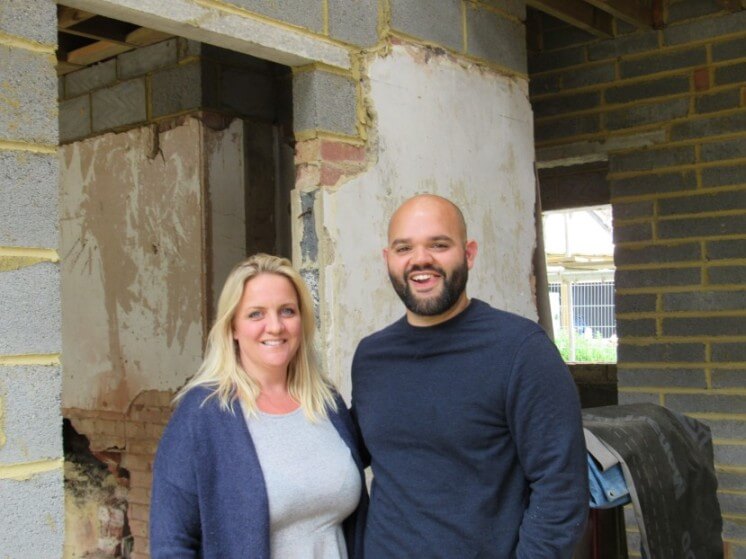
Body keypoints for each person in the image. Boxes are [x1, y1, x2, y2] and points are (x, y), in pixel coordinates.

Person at [351, 194, 588, 558]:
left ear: (469, 253)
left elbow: (561, 488)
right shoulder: (371, 357)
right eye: (404, 248)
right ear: (388, 260)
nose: (420, 259)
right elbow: (349, 454)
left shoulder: (520, 351)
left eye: (439, 244)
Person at [151, 254, 367, 559]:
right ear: (233, 327)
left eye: (287, 311)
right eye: (256, 314)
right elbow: (171, 544)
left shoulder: (326, 401)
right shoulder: (202, 413)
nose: (275, 326)